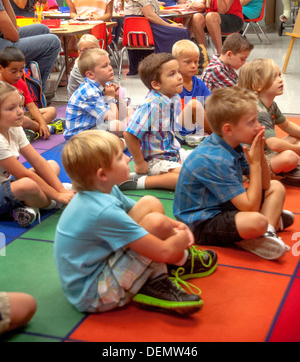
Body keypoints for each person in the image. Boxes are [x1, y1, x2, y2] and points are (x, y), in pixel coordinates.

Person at [54, 129, 218, 315]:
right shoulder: (102, 211)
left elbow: (139, 214)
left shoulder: (103, 190)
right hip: (94, 293)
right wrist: (183, 239)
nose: (127, 159)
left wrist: (174, 225)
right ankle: (163, 275)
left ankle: (157, 271)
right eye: (119, 157)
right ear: (102, 175)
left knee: (150, 203)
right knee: (156, 225)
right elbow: (164, 251)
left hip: (100, 265)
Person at [173, 86, 293, 261]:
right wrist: (254, 166)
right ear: (229, 129)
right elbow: (250, 208)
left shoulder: (232, 143)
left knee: (276, 186)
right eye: (251, 122)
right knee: (256, 220)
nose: (259, 127)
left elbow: (266, 185)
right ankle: (262, 229)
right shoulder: (215, 158)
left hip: (223, 207)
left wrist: (258, 154)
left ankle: (266, 232)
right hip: (201, 223)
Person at [0, 82, 74, 227]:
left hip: (6, 183)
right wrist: (58, 196)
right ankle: (54, 204)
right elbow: (24, 175)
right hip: (7, 188)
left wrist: (59, 188)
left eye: (20, 105)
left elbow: (37, 161)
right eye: (11, 108)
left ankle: (29, 206)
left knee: (51, 165)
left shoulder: (13, 127)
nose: (21, 111)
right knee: (28, 185)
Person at [120, 53, 192, 192]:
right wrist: (140, 163)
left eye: (178, 71)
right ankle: (141, 181)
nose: (179, 77)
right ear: (156, 84)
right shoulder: (151, 105)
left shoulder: (171, 98)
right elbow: (129, 134)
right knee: (187, 178)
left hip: (172, 154)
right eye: (172, 74)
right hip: (154, 162)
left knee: (203, 158)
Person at [0, 0, 61, 91]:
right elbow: (14, 34)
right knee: (53, 41)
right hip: (6, 39)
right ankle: (36, 90)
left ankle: (29, 78)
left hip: (10, 31)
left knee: (43, 29)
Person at [238, 58, 300, 185]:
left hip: (264, 151)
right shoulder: (257, 110)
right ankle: (259, 175)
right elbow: (274, 145)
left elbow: (286, 125)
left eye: (279, 75)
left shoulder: (271, 104)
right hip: (251, 160)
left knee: (296, 137)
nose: (280, 80)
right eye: (274, 77)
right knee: (290, 157)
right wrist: (296, 149)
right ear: (257, 86)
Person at [64, 49, 131, 141]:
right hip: (79, 137)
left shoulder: (104, 85)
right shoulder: (89, 92)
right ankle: (124, 141)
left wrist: (117, 96)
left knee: (130, 112)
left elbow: (123, 114)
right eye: (104, 66)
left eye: (109, 64)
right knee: (117, 125)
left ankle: (125, 138)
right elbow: (112, 119)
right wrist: (110, 98)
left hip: (95, 127)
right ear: (90, 74)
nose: (110, 68)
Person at [0, 47, 65, 141]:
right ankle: (48, 128)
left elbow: (31, 105)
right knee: (23, 120)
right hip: (6, 120)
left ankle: (33, 130)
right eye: (13, 71)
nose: (18, 75)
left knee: (51, 111)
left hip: (21, 115)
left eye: (21, 70)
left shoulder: (20, 82)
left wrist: (42, 122)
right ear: (1, 68)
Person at [172, 39, 212, 145]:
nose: (194, 65)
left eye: (196, 61)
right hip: (178, 130)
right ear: (175, 62)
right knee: (194, 105)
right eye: (188, 62)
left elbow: (212, 106)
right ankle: (219, 138)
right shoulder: (172, 85)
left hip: (196, 130)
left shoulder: (199, 84)